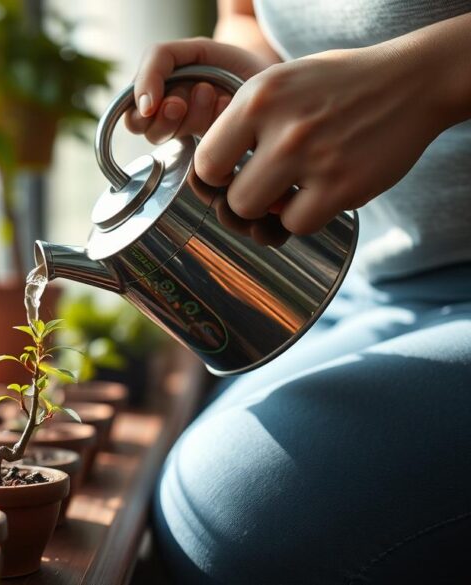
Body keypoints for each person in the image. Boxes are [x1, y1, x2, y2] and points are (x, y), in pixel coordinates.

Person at [123, 1, 471, 582]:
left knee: (234, 510)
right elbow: (245, 14)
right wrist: (256, 82)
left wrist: (422, 78)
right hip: (374, 274)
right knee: (188, 490)